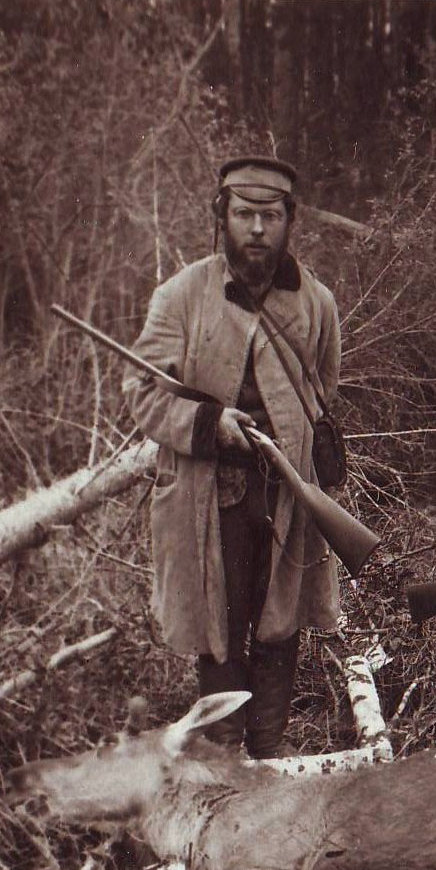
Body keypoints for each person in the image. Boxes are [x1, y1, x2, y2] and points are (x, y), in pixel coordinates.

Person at [124, 156, 342, 758]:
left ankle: (268, 765)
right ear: (222, 217)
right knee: (219, 638)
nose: (256, 229)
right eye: (243, 214)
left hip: (287, 495)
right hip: (207, 497)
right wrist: (209, 424)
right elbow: (140, 393)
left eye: (269, 216)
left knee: (281, 628)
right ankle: (223, 764)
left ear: (288, 222)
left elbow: (323, 389)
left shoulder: (317, 303)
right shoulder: (180, 296)